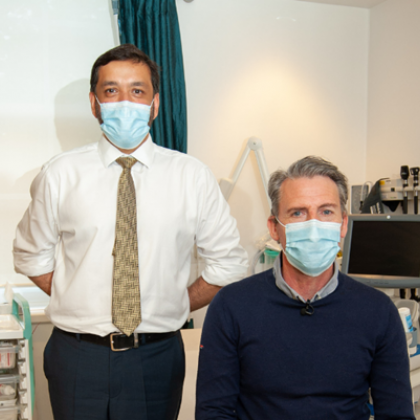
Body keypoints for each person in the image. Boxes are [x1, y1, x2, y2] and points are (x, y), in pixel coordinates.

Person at [13, 44, 248, 420]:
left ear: (155, 103)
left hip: (156, 358)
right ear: (94, 103)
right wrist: (78, 297)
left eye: (137, 91)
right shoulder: (60, 174)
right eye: (111, 91)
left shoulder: (192, 177)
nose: (125, 102)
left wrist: (169, 303)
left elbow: (228, 265)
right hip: (76, 357)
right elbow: (30, 255)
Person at [196, 156, 415, 420]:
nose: (314, 226)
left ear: (343, 223)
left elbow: (396, 414)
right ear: (275, 228)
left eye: (326, 211)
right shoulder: (232, 306)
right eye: (298, 213)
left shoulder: (378, 312)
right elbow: (213, 412)